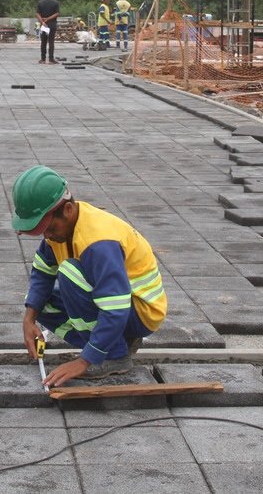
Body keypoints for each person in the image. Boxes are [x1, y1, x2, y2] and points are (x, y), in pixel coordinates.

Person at [11, 165, 168, 387]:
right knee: (39, 302)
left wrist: (84, 361)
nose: (46, 236)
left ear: (67, 210)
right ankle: (114, 342)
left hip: (138, 311)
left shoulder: (99, 244)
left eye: (48, 227)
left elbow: (115, 308)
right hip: (115, 303)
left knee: (69, 273)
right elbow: (42, 274)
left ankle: (113, 356)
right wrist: (29, 320)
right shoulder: (60, 231)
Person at [35, 0, 60, 64]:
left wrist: (42, 22)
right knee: (51, 41)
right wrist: (48, 19)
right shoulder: (56, 3)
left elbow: (37, 14)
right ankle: (51, 59)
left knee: (43, 42)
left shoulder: (40, 3)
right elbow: (57, 13)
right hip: (52, 24)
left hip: (44, 24)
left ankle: (43, 59)